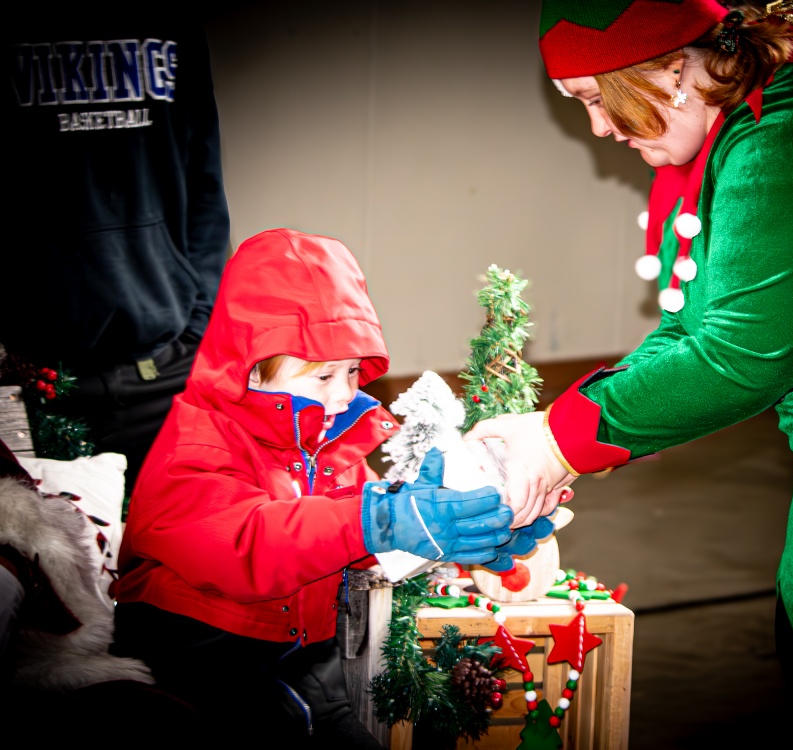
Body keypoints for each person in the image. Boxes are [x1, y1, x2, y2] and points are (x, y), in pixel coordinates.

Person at [466, 0, 793, 730]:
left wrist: (559, 440)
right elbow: (690, 329)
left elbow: (742, 356)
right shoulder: (734, 127)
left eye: (598, 99)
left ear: (668, 67)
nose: (598, 128)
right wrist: (561, 436)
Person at [109, 229, 523, 745]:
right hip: (197, 658)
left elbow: (357, 530)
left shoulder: (331, 435)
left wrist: (448, 528)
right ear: (253, 370)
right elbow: (249, 542)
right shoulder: (198, 439)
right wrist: (375, 520)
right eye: (322, 377)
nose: (343, 394)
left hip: (298, 651)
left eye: (351, 371)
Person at [2, 9, 231, 492]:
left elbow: (204, 182)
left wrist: (199, 327)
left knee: (172, 555)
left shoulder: (176, 23)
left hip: (166, 367)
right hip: (29, 375)